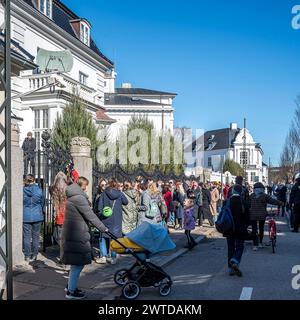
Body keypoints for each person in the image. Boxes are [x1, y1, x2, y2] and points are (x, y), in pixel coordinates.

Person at [61, 180, 108, 299]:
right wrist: (103, 228)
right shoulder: (79, 198)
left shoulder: (73, 197)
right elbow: (90, 215)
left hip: (74, 234)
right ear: (81, 186)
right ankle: (71, 291)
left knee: (76, 264)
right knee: (78, 264)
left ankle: (71, 286)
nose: (87, 188)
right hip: (77, 236)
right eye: (86, 186)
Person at [96, 178, 128, 265]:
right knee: (114, 239)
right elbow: (126, 202)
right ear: (116, 185)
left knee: (102, 238)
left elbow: (99, 209)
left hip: (105, 219)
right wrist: (121, 192)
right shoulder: (120, 194)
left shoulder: (103, 194)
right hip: (116, 220)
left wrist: (101, 214)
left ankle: (103, 256)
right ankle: (113, 257)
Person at [223, 184, 249, 277]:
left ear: (232, 191)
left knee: (230, 248)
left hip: (228, 228)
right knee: (240, 247)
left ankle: (230, 269)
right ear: (241, 192)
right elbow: (247, 218)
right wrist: (246, 226)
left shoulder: (226, 202)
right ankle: (235, 260)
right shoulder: (243, 203)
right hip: (240, 229)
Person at [249, 182, 283, 251]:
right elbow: (272, 201)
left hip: (253, 215)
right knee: (261, 229)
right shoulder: (264, 196)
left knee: (254, 230)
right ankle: (260, 243)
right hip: (262, 215)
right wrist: (281, 203)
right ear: (262, 189)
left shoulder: (252, 196)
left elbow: (247, 204)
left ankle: (255, 245)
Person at [23, 174, 44, 262]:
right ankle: (34, 255)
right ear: (34, 180)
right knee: (36, 236)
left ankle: (27, 255)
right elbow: (43, 202)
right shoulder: (39, 190)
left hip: (26, 215)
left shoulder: (22, 190)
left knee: (27, 236)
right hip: (37, 215)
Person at [51, 172, 70, 247]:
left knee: (60, 239)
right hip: (68, 219)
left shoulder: (54, 190)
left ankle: (64, 255)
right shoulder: (68, 190)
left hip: (60, 220)